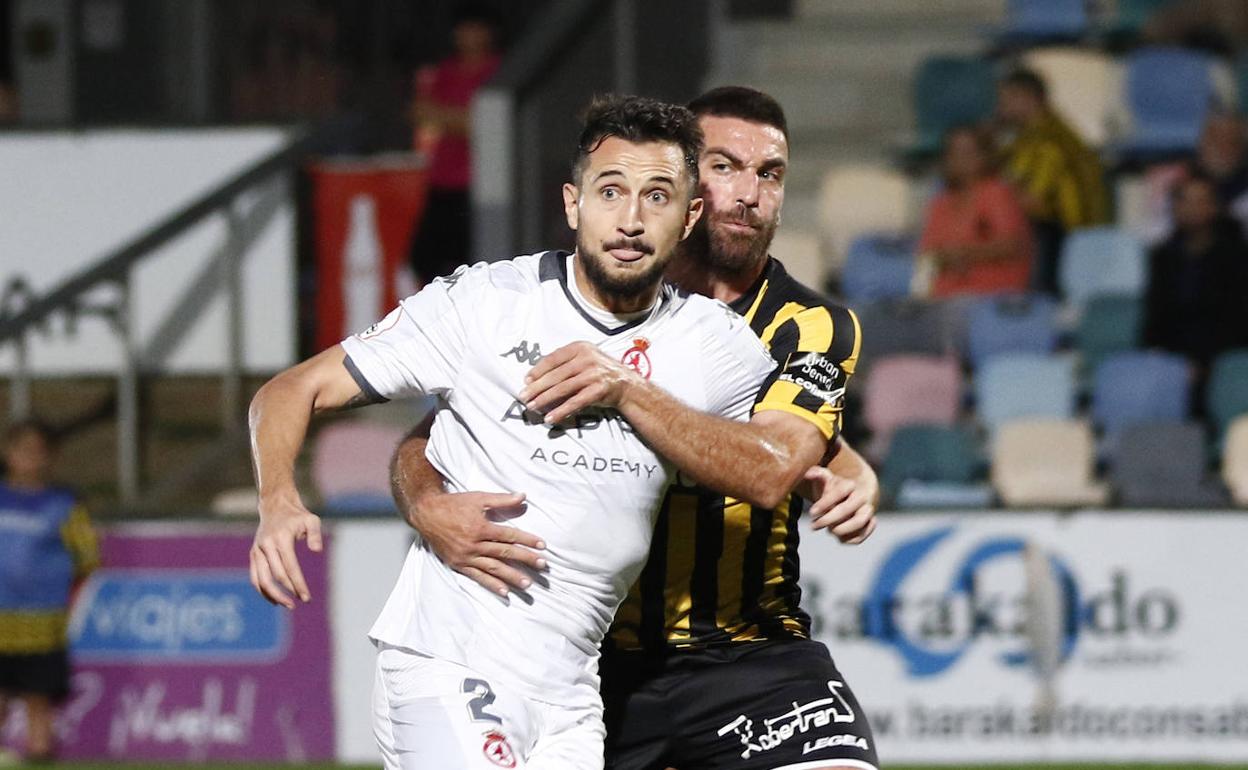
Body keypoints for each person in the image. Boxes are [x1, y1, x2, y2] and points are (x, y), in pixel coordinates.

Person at [248, 95, 841, 769]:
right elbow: (290, 390)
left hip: (573, 695)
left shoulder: (713, 345)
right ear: (572, 204)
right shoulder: (485, 305)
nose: (631, 219)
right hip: (452, 659)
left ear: (689, 217)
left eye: (657, 196)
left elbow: (769, 466)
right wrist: (279, 500)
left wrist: (630, 392)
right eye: (610, 191)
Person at [0, 419, 98, 763]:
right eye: (22, 451)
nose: (30, 459)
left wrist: (55, 590)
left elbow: (87, 556)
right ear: (8, 453)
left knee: (38, 698)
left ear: (50, 457)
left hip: (41, 622)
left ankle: (40, 754)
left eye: (38, 452)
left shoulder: (63, 504)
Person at [409, 4, 502, 285]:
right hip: (442, 181)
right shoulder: (446, 70)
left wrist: (446, 117)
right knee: (424, 259)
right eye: (463, 29)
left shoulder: (497, 70)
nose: (468, 36)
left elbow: (481, 124)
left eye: (475, 29)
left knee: (476, 263)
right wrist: (458, 118)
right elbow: (420, 114)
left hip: (477, 183)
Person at [996, 68, 1109, 297]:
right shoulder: (1031, 136)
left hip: (1068, 238)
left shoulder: (1050, 143)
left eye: (1006, 100)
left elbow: (1034, 203)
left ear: (1027, 98)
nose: (1000, 108)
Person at [1143, 172, 1248, 376]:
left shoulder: (1237, 256)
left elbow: (1237, 319)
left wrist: (1204, 362)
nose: (1193, 209)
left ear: (1215, 206)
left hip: (1224, 359)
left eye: (1201, 201)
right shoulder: (1162, 257)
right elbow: (1156, 317)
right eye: (1185, 201)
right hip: (1174, 359)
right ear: (1174, 207)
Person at [916, 125, 1033, 298]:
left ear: (984, 156)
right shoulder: (941, 202)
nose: (960, 160)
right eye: (954, 153)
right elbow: (928, 254)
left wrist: (964, 254)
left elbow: (1011, 245)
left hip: (992, 299)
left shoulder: (997, 193)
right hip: (945, 298)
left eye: (968, 153)